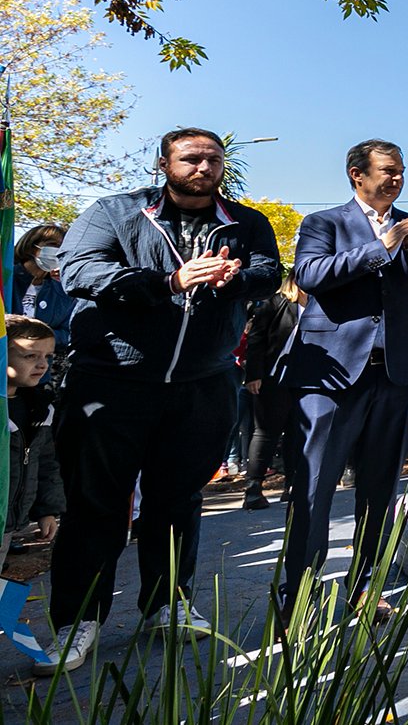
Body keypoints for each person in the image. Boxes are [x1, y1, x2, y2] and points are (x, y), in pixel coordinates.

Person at [43, 128, 280, 674]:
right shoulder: (116, 212)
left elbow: (272, 273)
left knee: (176, 502)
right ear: (164, 163)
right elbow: (79, 270)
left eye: (214, 159)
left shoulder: (245, 222)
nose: (203, 167)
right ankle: (79, 619)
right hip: (113, 381)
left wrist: (235, 276)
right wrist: (169, 280)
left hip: (202, 384)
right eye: (191, 158)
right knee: (96, 505)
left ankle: (167, 603)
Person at [278, 140, 408, 619]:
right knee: (315, 488)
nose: (397, 178)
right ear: (357, 174)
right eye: (388, 171)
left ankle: (364, 588)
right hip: (331, 378)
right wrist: (383, 246)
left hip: (396, 377)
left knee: (380, 490)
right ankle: (300, 598)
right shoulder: (324, 223)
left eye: (401, 171)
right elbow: (310, 274)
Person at [4, 316, 65, 571]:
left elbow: (45, 464)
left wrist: (46, 510)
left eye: (47, 357)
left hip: (9, 525)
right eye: (30, 356)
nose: (42, 364)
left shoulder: (39, 408)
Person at [240, 276, 306, 510]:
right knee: (266, 431)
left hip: (303, 380)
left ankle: (292, 483)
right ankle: (253, 487)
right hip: (272, 377)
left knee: (297, 432)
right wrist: (254, 374)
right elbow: (256, 338)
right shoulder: (275, 303)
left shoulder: (318, 306)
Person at [11, 224, 72, 353]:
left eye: (63, 247)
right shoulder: (7, 280)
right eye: (52, 244)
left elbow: (69, 333)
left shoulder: (62, 291)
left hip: (37, 368)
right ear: (31, 247)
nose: (58, 250)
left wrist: (39, 337)